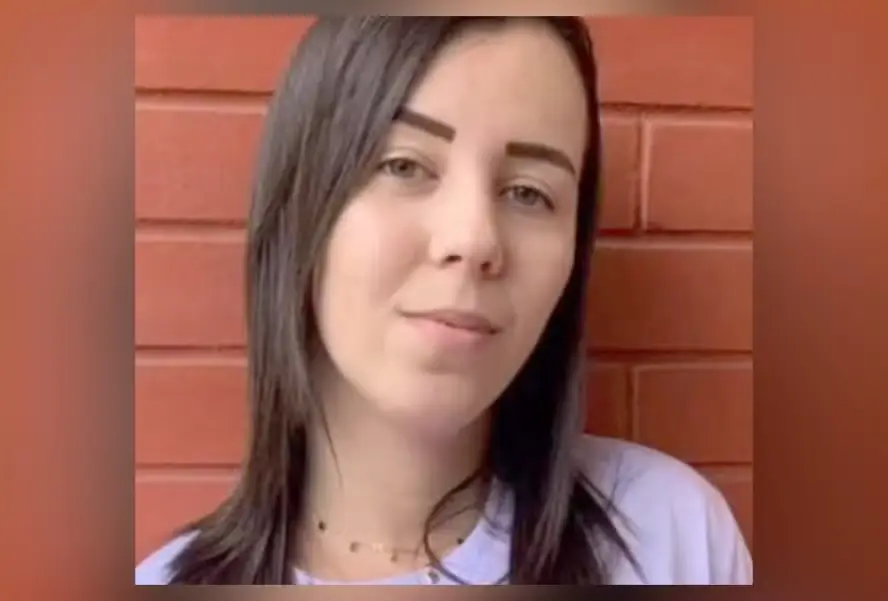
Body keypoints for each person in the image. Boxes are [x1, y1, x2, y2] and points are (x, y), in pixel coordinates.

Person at [135, 16, 752, 585]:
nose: (474, 239)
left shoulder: (669, 540)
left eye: (530, 193)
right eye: (404, 165)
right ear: (300, 205)